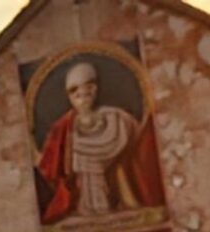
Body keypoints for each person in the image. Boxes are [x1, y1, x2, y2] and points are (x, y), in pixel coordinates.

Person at [36, 62, 164, 223]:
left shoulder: (115, 119)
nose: (82, 99)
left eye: (87, 92)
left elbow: (134, 141)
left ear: (94, 90)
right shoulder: (65, 129)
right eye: (75, 94)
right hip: (82, 196)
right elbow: (54, 162)